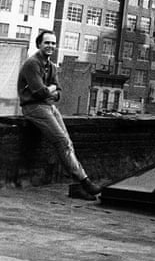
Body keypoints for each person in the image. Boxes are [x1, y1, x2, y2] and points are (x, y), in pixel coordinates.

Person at [17, 29, 101, 200]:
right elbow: (40, 93)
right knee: (61, 141)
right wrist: (50, 90)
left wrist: (51, 90)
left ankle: (77, 187)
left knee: (68, 141)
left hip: (48, 106)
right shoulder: (32, 64)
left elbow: (59, 92)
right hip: (34, 108)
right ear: (39, 44)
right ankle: (84, 182)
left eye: (53, 43)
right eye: (47, 43)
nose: (50, 46)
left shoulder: (51, 65)